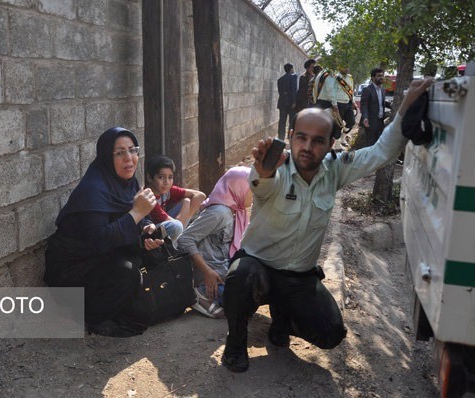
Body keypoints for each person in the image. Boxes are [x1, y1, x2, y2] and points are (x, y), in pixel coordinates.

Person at [221, 78, 434, 372]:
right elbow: (261, 185)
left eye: (318, 140)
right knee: (239, 277)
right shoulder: (276, 171)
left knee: (331, 333)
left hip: (298, 276)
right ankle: (236, 342)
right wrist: (263, 172)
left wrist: (406, 105)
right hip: (259, 268)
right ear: (291, 136)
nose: (308, 147)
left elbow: (380, 153)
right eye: (301, 138)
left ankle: (282, 318)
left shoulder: (335, 168)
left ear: (329, 144)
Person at [44, 127, 163, 337]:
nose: (129, 158)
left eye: (133, 150)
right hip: (73, 271)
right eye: (119, 153)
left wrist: (146, 227)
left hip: (104, 262)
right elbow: (99, 241)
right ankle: (87, 315)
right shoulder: (94, 189)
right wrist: (137, 214)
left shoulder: (128, 182)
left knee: (143, 314)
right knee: (129, 276)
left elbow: (132, 213)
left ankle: (110, 310)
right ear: (107, 156)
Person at [177, 166, 252, 319]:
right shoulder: (219, 212)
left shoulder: (237, 211)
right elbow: (185, 239)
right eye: (252, 189)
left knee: (253, 294)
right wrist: (207, 272)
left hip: (223, 273)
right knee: (243, 303)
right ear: (239, 188)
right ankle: (200, 293)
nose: (255, 194)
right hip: (209, 276)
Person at [144, 154, 206, 247]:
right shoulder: (148, 197)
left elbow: (200, 196)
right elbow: (175, 224)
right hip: (150, 233)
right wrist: (182, 221)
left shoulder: (166, 191)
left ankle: (177, 239)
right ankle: (176, 242)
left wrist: (186, 207)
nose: (166, 182)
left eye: (170, 177)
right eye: (161, 177)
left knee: (186, 202)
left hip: (166, 227)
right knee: (176, 226)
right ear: (149, 178)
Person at [360, 68, 392, 145]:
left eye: (382, 75)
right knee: (370, 145)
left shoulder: (383, 90)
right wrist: (365, 118)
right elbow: (364, 106)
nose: (381, 77)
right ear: (373, 78)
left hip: (380, 122)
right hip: (370, 122)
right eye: (379, 76)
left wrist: (391, 105)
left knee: (379, 144)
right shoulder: (367, 90)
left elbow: (381, 102)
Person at [277, 63, 298, 140]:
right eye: (293, 68)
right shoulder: (294, 77)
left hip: (282, 103)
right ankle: (290, 137)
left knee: (282, 122)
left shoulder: (280, 79)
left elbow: (280, 93)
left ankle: (280, 138)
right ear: (291, 69)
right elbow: (294, 90)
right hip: (291, 103)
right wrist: (294, 102)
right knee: (291, 122)